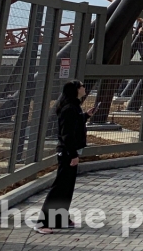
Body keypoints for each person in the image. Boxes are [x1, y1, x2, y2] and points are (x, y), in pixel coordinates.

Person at [36, 81, 96, 233]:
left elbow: (74, 124)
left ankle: (60, 218)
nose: (84, 88)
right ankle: (42, 223)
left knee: (67, 187)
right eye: (82, 86)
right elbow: (67, 135)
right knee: (59, 187)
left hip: (69, 152)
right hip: (67, 153)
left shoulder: (73, 106)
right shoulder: (69, 108)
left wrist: (86, 116)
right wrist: (73, 154)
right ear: (76, 90)